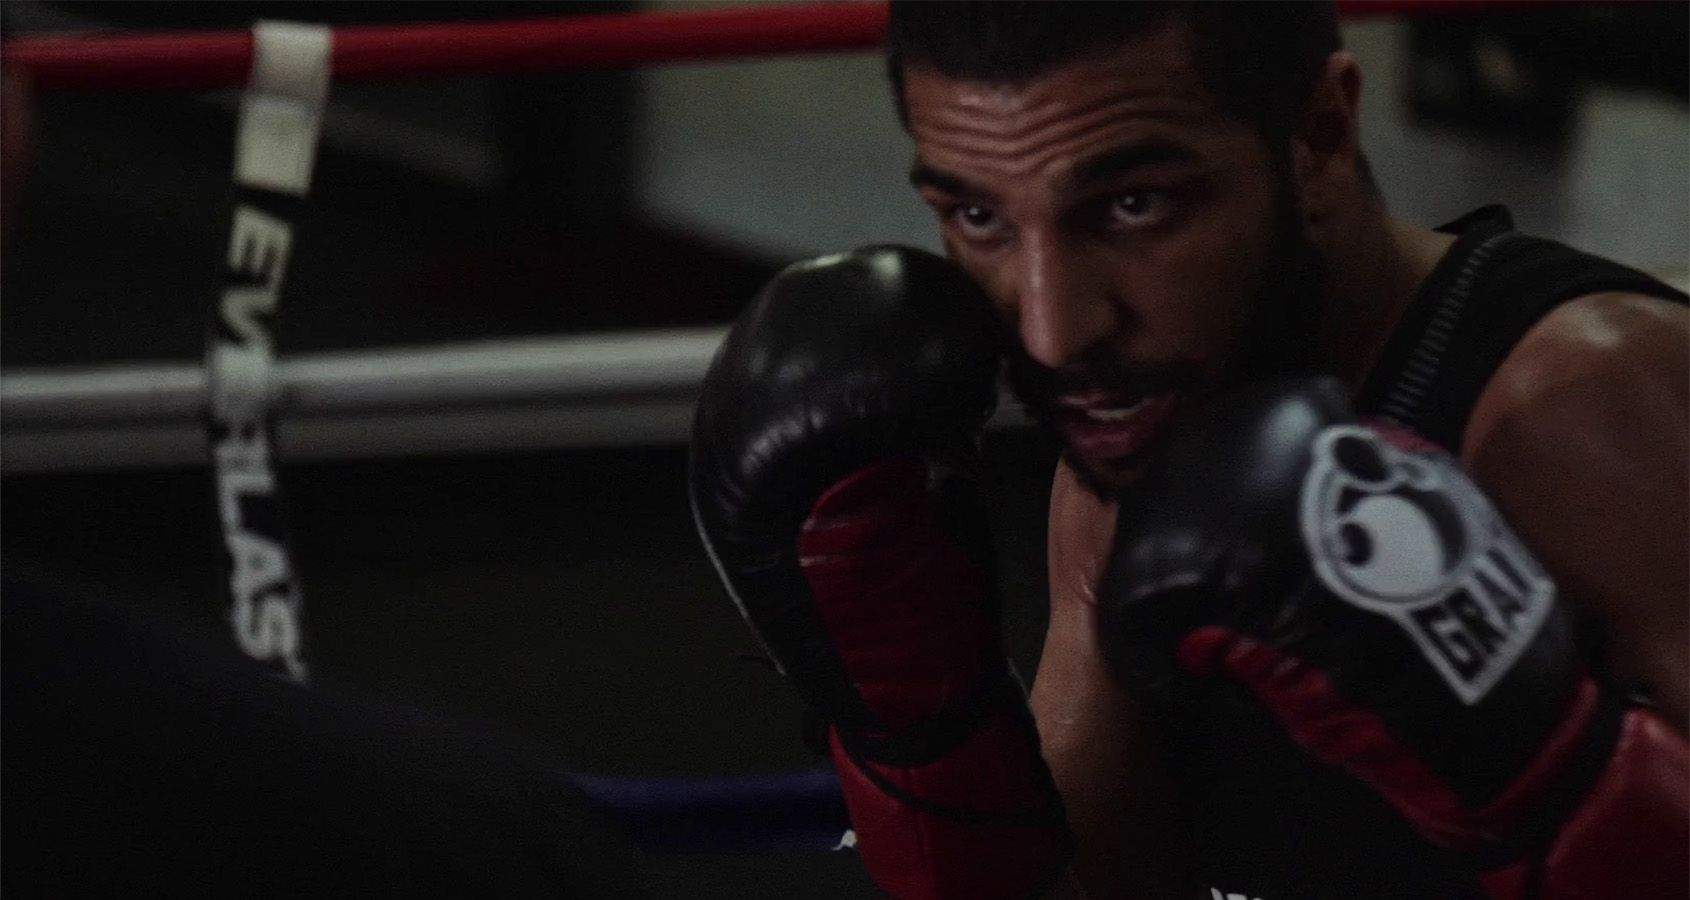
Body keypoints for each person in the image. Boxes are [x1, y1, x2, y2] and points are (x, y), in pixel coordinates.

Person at [689, 3, 1688, 897]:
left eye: (1133, 206)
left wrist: (1567, 792)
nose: (1053, 330)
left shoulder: (1592, 411)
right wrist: (925, 738)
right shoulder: (1134, 443)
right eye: (979, 217)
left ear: (1320, 136)